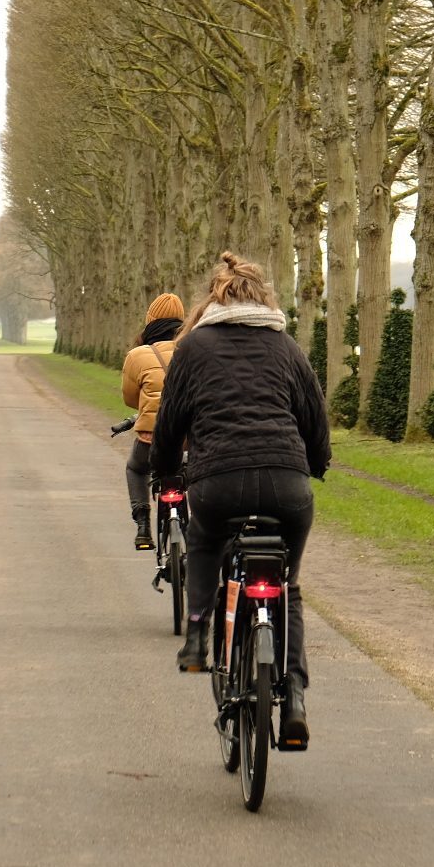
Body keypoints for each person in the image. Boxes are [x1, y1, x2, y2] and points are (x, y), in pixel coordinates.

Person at [152, 252, 329, 749]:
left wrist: (166, 468)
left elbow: (170, 423)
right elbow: (314, 417)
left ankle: (196, 636)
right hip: (286, 484)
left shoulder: (193, 347)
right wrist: (315, 464)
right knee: (286, 584)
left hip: (217, 481)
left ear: (214, 297)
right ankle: (293, 696)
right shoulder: (288, 347)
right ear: (263, 297)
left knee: (205, 539)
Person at [120, 292, 186, 548]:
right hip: (187, 440)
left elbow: (129, 399)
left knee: (136, 469)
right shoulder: (192, 349)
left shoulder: (137, 355)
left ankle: (143, 524)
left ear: (150, 320)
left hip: (152, 438)